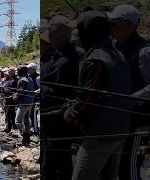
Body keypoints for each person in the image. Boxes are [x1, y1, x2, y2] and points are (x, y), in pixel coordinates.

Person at [64, 10, 132, 180]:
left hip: (100, 134)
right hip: (120, 129)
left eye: (80, 30)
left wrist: (71, 112)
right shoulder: (118, 54)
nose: (78, 36)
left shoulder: (97, 58)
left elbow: (89, 96)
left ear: (87, 31)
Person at [108, 4, 150, 180]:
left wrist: (131, 99)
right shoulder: (114, 48)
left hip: (141, 123)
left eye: (115, 23)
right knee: (120, 168)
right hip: (123, 121)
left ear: (130, 26)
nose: (111, 27)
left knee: (130, 167)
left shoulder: (144, 51)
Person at [39, 15, 83, 180]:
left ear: (55, 35)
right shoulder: (58, 57)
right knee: (53, 162)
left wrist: (40, 88)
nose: (48, 37)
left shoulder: (65, 60)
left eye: (50, 32)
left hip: (57, 120)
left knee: (57, 164)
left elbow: (59, 93)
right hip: (53, 120)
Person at [14, 65, 35, 146]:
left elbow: (21, 92)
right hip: (30, 103)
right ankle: (27, 141)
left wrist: (15, 96)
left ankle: (25, 137)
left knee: (17, 121)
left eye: (18, 70)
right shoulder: (30, 78)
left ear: (21, 71)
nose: (17, 72)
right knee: (26, 122)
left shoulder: (23, 80)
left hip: (24, 104)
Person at [0, 67, 18, 133]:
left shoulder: (14, 80)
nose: (6, 74)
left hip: (10, 100)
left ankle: (9, 128)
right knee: (10, 113)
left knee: (9, 114)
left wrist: (3, 89)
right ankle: (12, 126)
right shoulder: (11, 79)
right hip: (8, 99)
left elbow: (12, 90)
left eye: (8, 72)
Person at [27, 63, 40, 135]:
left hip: (36, 100)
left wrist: (36, 92)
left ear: (33, 69)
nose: (27, 70)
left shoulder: (38, 78)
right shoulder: (29, 77)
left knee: (34, 115)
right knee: (31, 114)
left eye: (29, 69)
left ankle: (36, 131)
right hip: (31, 99)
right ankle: (33, 128)